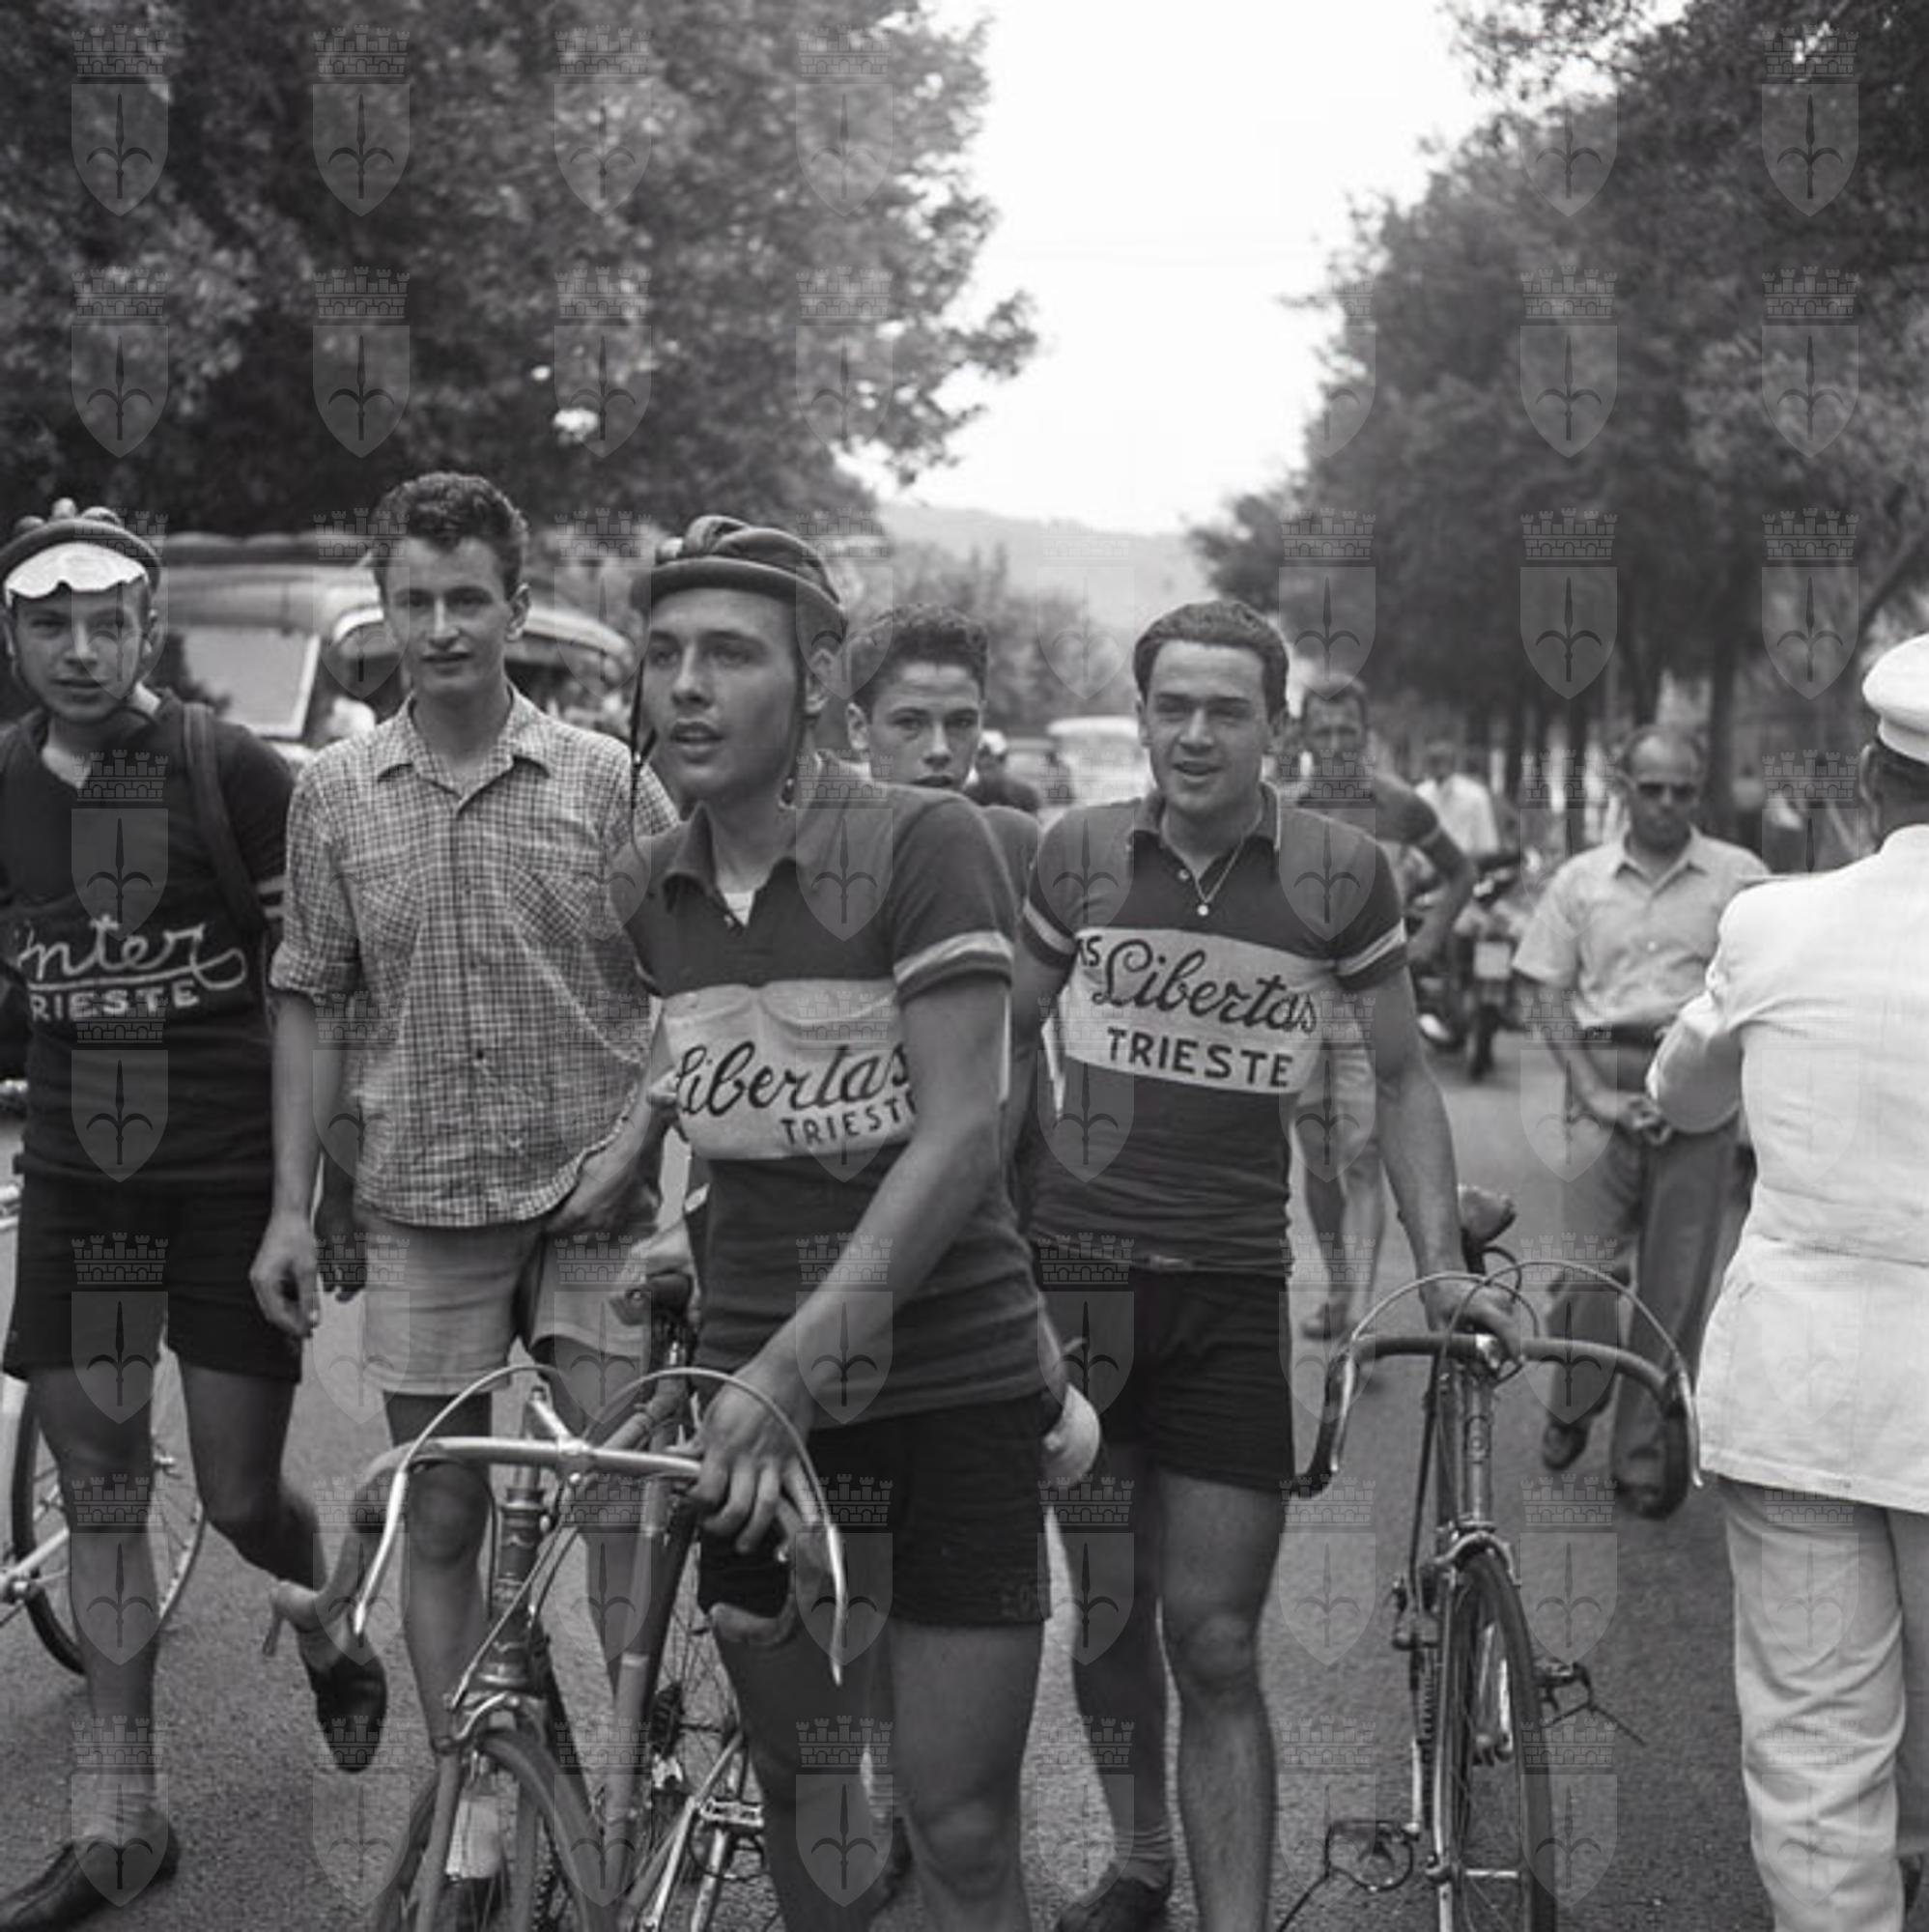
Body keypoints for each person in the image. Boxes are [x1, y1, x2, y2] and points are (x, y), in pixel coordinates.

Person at [1010, 600, 1516, 1932]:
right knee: (1108, 1616)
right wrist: (993, 1242)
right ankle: (1140, 1863)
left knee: (1217, 1637)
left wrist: (1438, 1264)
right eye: (1171, 705)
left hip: (1231, 1289)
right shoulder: (1073, 852)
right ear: (1142, 715)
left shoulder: (1341, 872)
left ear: (1274, 728)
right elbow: (998, 1044)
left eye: (1225, 709)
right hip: (1078, 1285)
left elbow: (1399, 1079)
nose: (1195, 733)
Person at [613, 516, 1052, 1932]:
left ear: (815, 680)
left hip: (944, 1385)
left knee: (958, 1824)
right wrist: (641, 1188)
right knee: (805, 1794)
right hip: (754, 1405)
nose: (687, 685)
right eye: (664, 653)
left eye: (729, 654)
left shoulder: (924, 839)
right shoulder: (647, 886)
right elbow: (718, 1104)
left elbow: (963, 1129)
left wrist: (785, 1373)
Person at [249, 473, 675, 1918]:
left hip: (594, 1203)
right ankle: (478, 1801)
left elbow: (695, 983)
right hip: (422, 1202)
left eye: (467, 599)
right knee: (438, 1515)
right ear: (384, 609)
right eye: (414, 601)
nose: (440, 627)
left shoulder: (608, 782)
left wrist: (645, 1136)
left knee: (615, 1520)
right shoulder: (333, 793)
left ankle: (629, 1783)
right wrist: (294, 1206)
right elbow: (310, 997)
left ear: (517, 607)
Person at [0, 501, 382, 1930]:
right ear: (14, 638)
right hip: (79, 1180)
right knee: (103, 1490)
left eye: (107, 624)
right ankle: (122, 1818)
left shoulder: (234, 771)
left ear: (149, 630)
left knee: (236, 1498)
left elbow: (311, 994)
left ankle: (322, 1611)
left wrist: (306, 1199)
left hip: (226, 1177)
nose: (80, 650)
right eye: (50, 625)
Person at [1648, 637, 1929, 1930]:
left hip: (1802, 1392)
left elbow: (1683, 1093)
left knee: (1815, 1756)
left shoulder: (1772, 922)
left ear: (1869, 779)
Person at [1513, 723, 1768, 1514]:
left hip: (1698, 1084)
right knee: (1583, 1274)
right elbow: (1544, 990)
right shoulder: (1579, 881)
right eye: (1649, 788)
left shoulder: (1742, 879)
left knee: (1674, 1287)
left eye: (1680, 790)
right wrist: (1592, 1093)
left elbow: (1767, 986)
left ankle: (1640, 1453)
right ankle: (1572, 1397)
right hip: (1601, 1074)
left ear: (1699, 791)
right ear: (1623, 788)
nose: (1664, 804)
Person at [1288, 681, 1475, 1340]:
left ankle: (1360, 1314)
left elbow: (1460, 872)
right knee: (1320, 1160)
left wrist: (1428, 939)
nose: (1336, 744)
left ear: (1364, 735)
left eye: (1348, 731)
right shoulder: (1283, 809)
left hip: (1373, 1001)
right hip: (1301, 1005)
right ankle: (1339, 1287)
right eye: (1323, 731)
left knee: (1364, 1159)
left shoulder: (1398, 804)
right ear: (1303, 736)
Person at [1415, 737, 1501, 862]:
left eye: (1442, 762)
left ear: (1452, 765)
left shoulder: (1475, 795)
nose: (1439, 769)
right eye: (1434, 763)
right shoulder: (1421, 794)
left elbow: (1487, 843)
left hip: (1466, 865)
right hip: (1427, 868)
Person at [970, 728, 1043, 815]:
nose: (984, 775)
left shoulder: (1025, 794)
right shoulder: (969, 796)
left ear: (1003, 762)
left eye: (989, 767)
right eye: (979, 768)